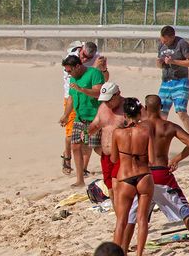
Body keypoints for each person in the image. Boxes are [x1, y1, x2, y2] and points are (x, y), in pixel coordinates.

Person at [123, 94, 189, 249]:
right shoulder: (169, 126)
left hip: (142, 175)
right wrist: (176, 159)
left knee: (132, 215)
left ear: (145, 108)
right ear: (161, 108)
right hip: (161, 173)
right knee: (183, 209)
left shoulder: (137, 127)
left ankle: (123, 249)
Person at [111, 98, 154, 256]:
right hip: (144, 175)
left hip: (125, 176)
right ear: (139, 113)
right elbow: (152, 158)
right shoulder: (145, 131)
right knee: (141, 218)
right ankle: (139, 254)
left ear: (125, 114)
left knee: (121, 221)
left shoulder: (118, 133)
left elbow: (114, 159)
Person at [62, 54, 104, 187]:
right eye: (66, 71)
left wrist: (82, 89)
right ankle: (80, 180)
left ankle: (119, 164)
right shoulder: (73, 79)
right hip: (79, 118)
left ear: (78, 66)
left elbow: (98, 92)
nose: (68, 74)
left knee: (97, 148)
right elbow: (71, 98)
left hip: (95, 118)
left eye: (70, 71)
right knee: (75, 146)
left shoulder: (94, 73)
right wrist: (65, 115)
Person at [156, 26, 189, 138]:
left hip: (181, 81)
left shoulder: (182, 44)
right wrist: (159, 62)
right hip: (165, 82)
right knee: (161, 114)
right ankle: (160, 140)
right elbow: (159, 66)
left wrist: (173, 61)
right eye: (162, 40)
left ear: (172, 37)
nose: (164, 43)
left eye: (166, 40)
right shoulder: (161, 45)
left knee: (181, 112)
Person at [88, 82, 125, 193]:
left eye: (109, 100)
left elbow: (146, 122)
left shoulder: (128, 105)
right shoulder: (103, 107)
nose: (107, 103)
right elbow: (95, 124)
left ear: (118, 94)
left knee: (119, 185)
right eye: (105, 100)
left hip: (123, 155)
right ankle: (117, 210)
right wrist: (87, 132)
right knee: (110, 188)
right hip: (106, 156)